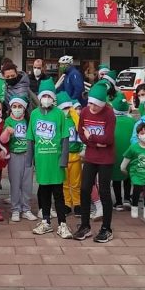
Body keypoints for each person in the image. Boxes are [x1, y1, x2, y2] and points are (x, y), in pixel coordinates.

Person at [27, 80, 71, 238]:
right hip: (41, 162)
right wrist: (29, 160)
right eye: (43, 95)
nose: (46, 98)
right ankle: (45, 221)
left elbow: (65, 138)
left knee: (58, 194)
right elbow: (30, 138)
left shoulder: (59, 114)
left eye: (49, 96)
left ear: (53, 98)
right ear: (39, 97)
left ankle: (62, 224)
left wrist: (64, 160)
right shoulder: (34, 114)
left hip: (56, 162)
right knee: (43, 192)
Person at [75, 82, 115, 242]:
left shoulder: (109, 113)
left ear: (103, 104)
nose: (92, 107)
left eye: (96, 105)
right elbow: (81, 133)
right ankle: (85, 226)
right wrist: (95, 142)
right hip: (91, 155)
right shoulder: (85, 111)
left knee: (104, 191)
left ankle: (107, 228)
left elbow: (109, 139)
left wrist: (92, 137)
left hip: (106, 158)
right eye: (90, 103)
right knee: (85, 189)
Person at [1, 96, 36, 222]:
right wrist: (7, 132)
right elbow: (3, 140)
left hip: (27, 155)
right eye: (14, 107)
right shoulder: (8, 121)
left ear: (24, 108)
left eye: (19, 107)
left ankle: (26, 209)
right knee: (15, 183)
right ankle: (15, 209)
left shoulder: (28, 121)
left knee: (27, 184)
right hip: (15, 155)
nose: (17, 109)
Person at [120, 122, 145, 220]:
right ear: (138, 135)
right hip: (136, 173)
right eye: (142, 133)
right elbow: (126, 159)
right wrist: (123, 168)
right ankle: (134, 207)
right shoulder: (133, 147)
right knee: (137, 189)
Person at [111, 91, 136, 211]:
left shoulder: (111, 121)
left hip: (114, 153)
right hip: (129, 154)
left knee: (115, 177)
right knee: (127, 175)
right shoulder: (132, 121)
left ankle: (118, 202)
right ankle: (127, 198)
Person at [59, 94, 83, 217]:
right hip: (63, 157)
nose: (67, 110)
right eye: (64, 108)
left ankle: (77, 203)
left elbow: (81, 129)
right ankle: (67, 204)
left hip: (75, 156)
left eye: (69, 107)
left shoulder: (75, 119)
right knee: (65, 183)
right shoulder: (59, 120)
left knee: (76, 182)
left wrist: (74, 114)